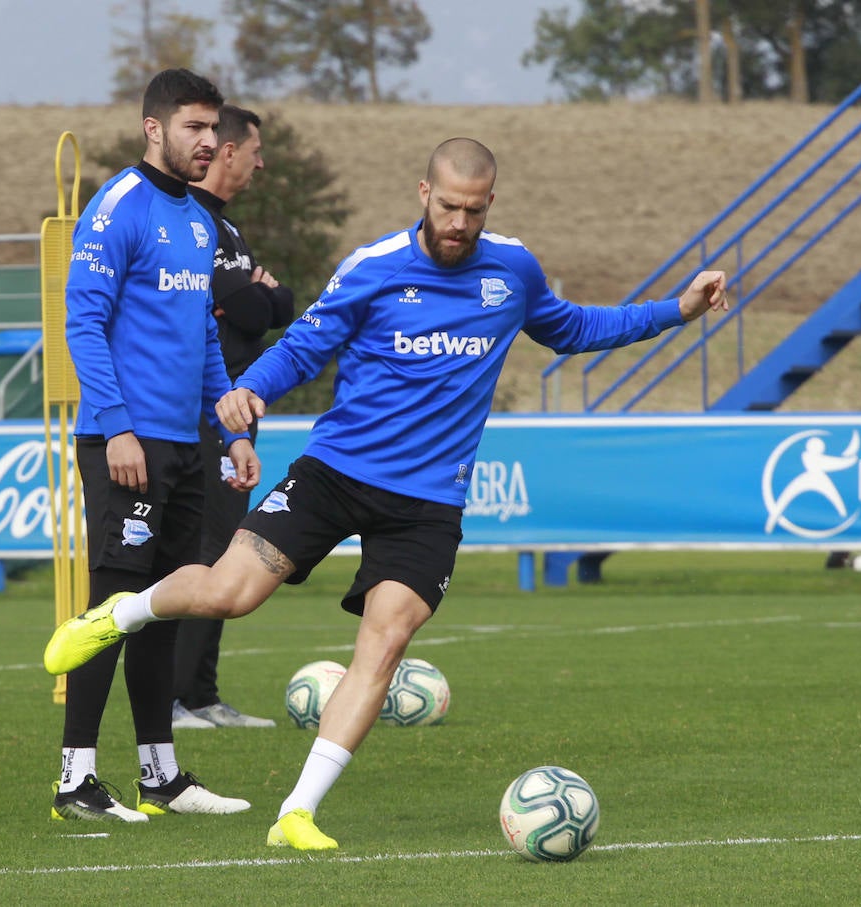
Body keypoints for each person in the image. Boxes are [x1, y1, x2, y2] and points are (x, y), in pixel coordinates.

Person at [45, 136, 729, 847]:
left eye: (474, 210)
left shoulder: (513, 271)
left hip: (427, 505)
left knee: (385, 640)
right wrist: (251, 390)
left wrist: (676, 309)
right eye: (449, 206)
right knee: (228, 594)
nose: (460, 223)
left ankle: (297, 813)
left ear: (490, 203)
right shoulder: (374, 269)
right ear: (423, 194)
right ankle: (120, 612)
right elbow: (305, 342)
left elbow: (577, 328)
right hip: (335, 476)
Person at [50, 68, 261, 822]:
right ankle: (74, 779)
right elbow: (84, 322)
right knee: (110, 608)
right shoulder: (118, 207)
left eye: (215, 130)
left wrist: (230, 428)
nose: (210, 142)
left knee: (160, 609)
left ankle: (159, 774)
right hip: (125, 443)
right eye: (195, 128)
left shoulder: (200, 220)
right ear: (154, 128)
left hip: (184, 444)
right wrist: (117, 426)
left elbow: (203, 335)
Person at [174, 105, 294, 730]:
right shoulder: (194, 223)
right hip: (204, 413)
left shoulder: (229, 227)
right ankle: (177, 698)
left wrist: (265, 295)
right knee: (204, 549)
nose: (260, 162)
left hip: (238, 410)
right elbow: (250, 309)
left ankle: (202, 695)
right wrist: (261, 294)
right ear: (227, 152)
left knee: (224, 549)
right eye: (254, 151)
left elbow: (274, 305)